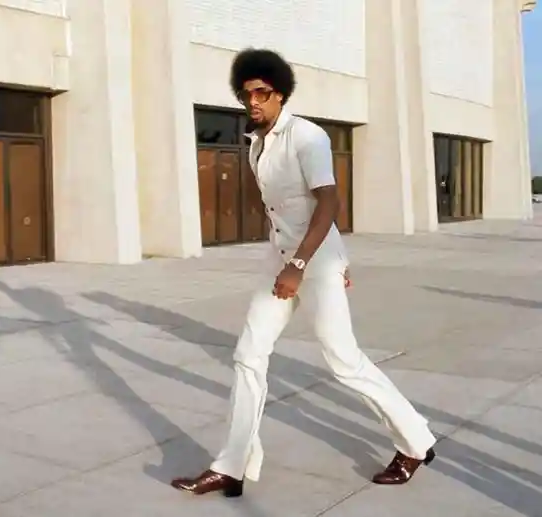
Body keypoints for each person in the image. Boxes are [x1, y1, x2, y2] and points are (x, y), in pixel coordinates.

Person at [171, 48, 436, 497]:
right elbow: (276, 205)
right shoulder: (256, 141)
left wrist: (306, 264)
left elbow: (329, 201)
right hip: (282, 258)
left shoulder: (306, 136)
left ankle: (415, 441)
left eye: (261, 92)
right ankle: (231, 466)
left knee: (344, 361)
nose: (252, 101)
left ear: (280, 94)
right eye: (245, 94)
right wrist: (288, 257)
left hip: (311, 263)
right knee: (248, 354)